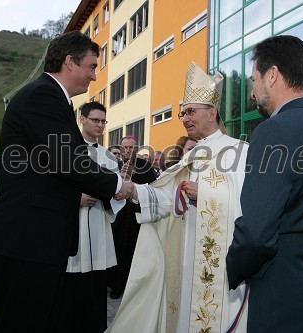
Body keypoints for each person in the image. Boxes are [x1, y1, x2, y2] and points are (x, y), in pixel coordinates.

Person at [0, 31, 133, 333]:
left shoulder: (51, 99)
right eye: (91, 66)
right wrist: (119, 186)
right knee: (23, 322)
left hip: (36, 240)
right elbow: (69, 161)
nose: (94, 75)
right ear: (69, 62)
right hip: (27, 240)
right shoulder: (43, 96)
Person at [108, 61, 249, 333]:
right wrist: (133, 190)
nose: (184, 118)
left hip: (219, 269)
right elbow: (166, 198)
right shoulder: (191, 157)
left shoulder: (239, 151)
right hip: (184, 257)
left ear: (212, 112)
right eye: (182, 113)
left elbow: (249, 206)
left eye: (190, 111)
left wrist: (205, 194)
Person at [226, 35, 303, 332]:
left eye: (254, 79)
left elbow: (257, 233)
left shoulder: (274, 131)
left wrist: (233, 268)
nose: (253, 92)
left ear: (272, 75)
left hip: (286, 299)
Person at [62, 101, 121, 332]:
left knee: (96, 291)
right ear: (82, 119)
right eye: (95, 120)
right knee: (70, 291)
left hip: (98, 230)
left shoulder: (108, 157)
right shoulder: (66, 152)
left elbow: (118, 195)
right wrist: (74, 199)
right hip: (71, 229)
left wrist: (107, 193)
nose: (100, 125)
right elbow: (51, 187)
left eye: (103, 121)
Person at [107, 136, 157, 299]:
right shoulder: (114, 165)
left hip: (137, 217)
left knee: (136, 252)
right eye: (125, 147)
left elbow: (154, 187)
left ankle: (133, 288)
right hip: (118, 217)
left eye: (131, 147)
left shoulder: (145, 166)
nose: (128, 150)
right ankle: (116, 286)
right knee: (117, 250)